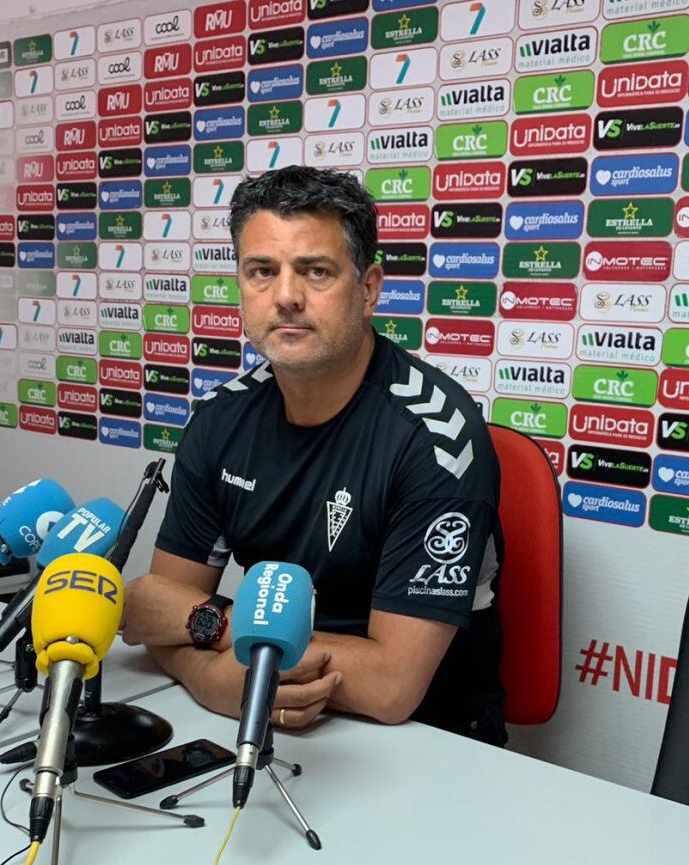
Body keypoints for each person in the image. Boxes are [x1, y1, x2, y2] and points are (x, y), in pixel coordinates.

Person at [122, 165, 507, 746]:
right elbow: (153, 614)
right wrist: (212, 678)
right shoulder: (218, 421)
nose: (285, 297)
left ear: (369, 288)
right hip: (258, 714)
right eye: (261, 271)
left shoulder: (438, 436)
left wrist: (212, 640)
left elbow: (391, 686)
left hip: (429, 741)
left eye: (315, 272)